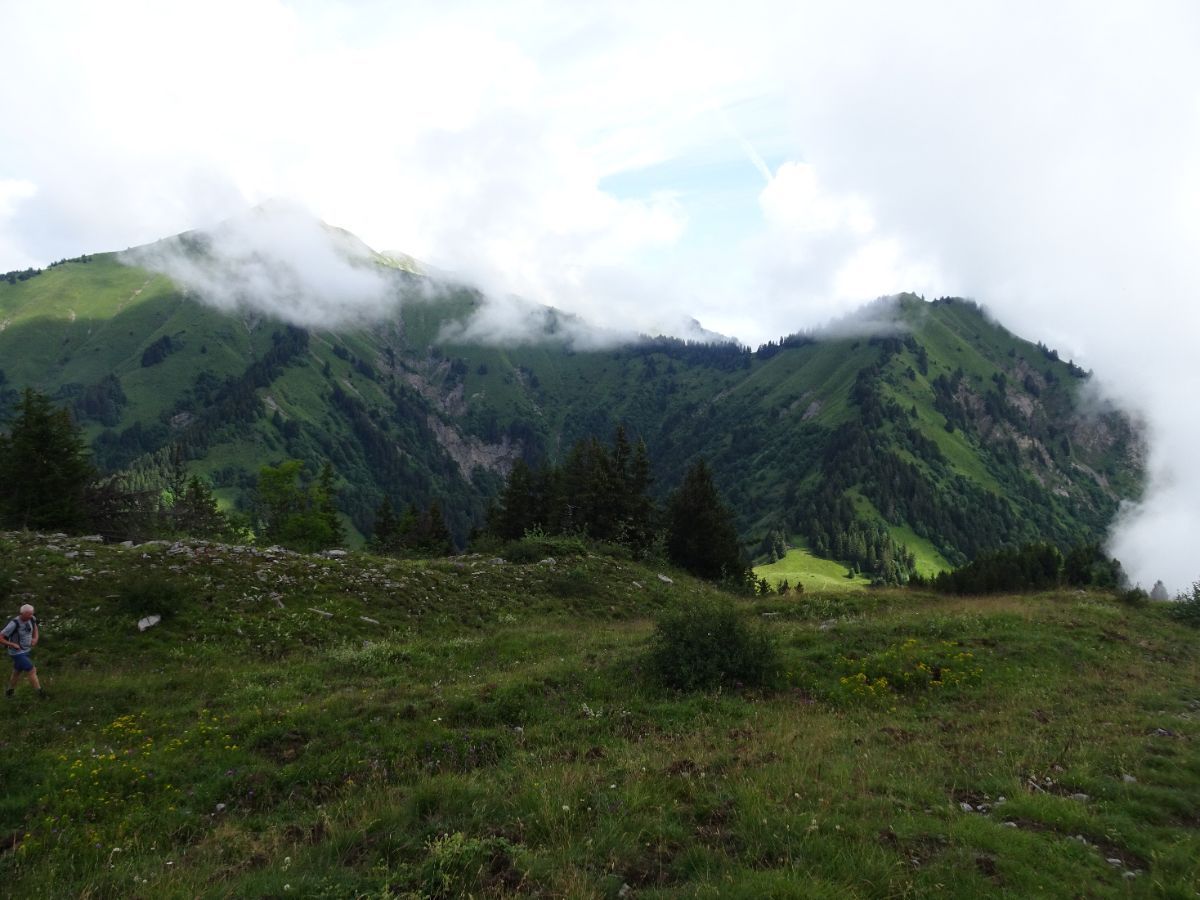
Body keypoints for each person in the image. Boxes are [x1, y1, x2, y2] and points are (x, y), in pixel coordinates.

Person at [2, 604, 44, 699]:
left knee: (17, 672)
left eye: (32, 614)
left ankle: (9, 693)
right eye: (28, 614)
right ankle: (40, 694)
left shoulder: (32, 618)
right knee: (31, 669)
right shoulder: (14, 623)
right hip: (16, 652)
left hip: (26, 650)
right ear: (22, 613)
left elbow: (35, 627)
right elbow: (0, 637)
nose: (31, 616)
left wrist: (35, 638)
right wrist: (12, 644)